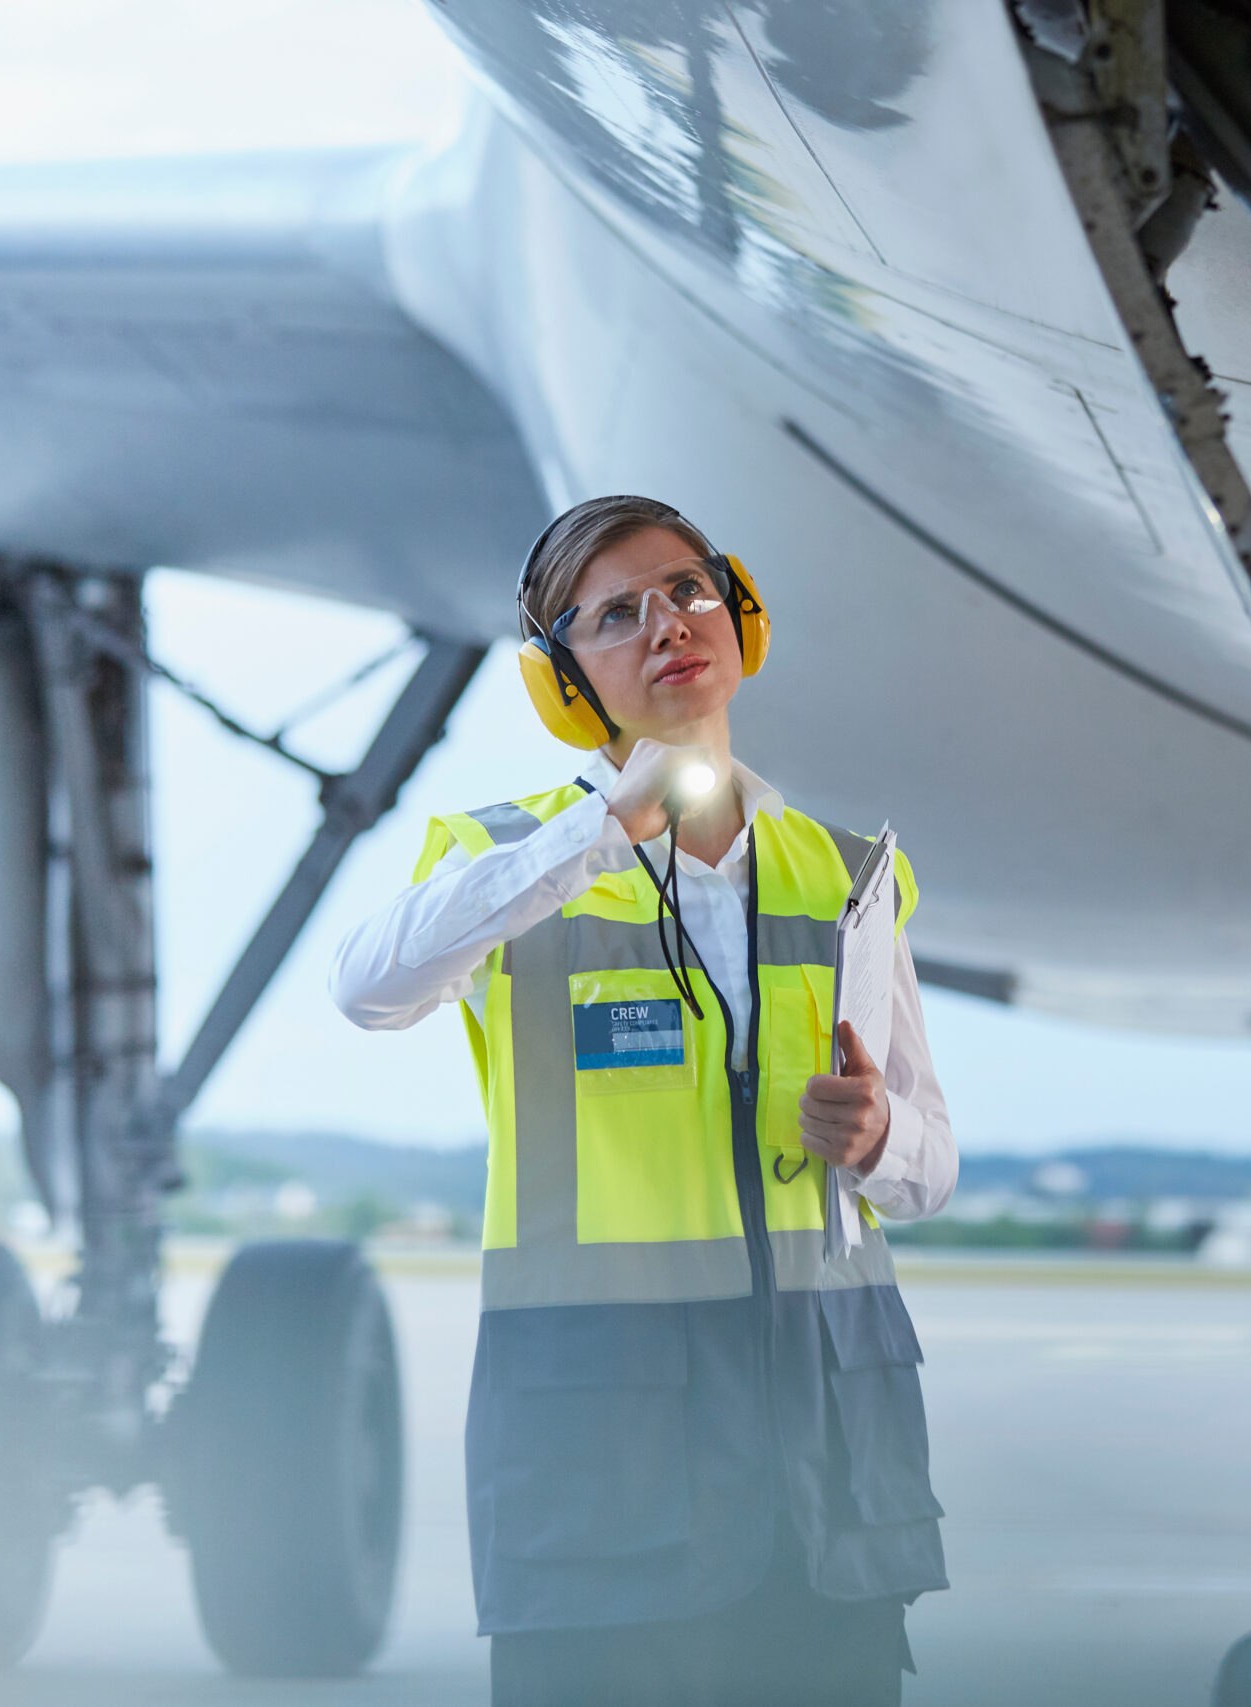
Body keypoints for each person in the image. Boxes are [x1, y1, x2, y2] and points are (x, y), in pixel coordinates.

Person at [330, 495, 955, 1706]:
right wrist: (597, 834)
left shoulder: (844, 872)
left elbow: (930, 1172)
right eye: (616, 613)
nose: (667, 621)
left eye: (688, 588)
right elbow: (368, 988)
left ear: (740, 614)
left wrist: (880, 1138)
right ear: (566, 685)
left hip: (828, 1477)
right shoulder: (505, 862)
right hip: (605, 1472)